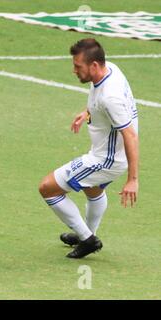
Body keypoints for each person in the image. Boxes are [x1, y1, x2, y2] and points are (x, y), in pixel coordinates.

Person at [38, 38, 139, 259]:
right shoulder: (109, 68)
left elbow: (130, 134)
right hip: (108, 154)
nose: (74, 71)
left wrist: (133, 179)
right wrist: (88, 112)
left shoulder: (110, 97)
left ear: (93, 65)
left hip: (106, 160)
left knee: (47, 188)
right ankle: (87, 232)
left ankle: (87, 239)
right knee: (92, 189)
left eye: (77, 66)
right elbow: (101, 102)